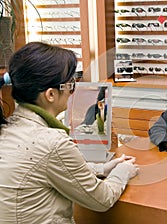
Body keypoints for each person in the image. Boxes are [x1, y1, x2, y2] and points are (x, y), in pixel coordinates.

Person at [0, 42, 138, 223]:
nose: (73, 92)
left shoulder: (9, 128)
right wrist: (122, 172)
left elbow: (46, 168)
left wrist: (102, 168)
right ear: (50, 94)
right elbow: (102, 199)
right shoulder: (51, 142)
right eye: (70, 84)